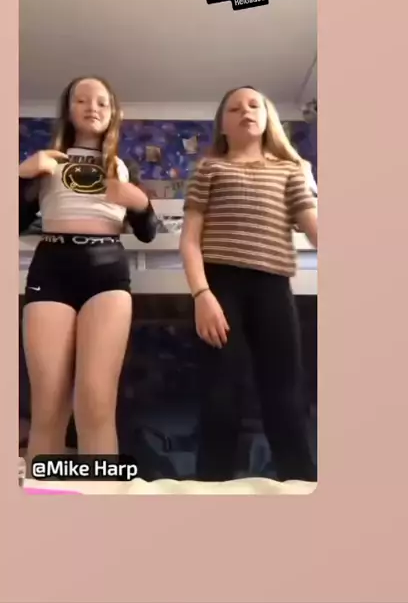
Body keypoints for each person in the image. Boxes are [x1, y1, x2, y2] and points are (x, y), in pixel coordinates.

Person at [19, 76, 158, 471]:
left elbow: (147, 233)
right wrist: (22, 173)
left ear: (112, 113)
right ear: (69, 109)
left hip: (106, 271)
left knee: (96, 404)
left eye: (101, 101)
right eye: (81, 100)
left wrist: (142, 204)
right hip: (52, 267)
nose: (92, 107)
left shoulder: (122, 167)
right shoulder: (48, 161)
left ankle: (101, 501)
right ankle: (44, 502)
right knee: (49, 407)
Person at [180, 85, 318, 483]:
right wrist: (202, 295)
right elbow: (189, 240)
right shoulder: (210, 169)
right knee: (221, 395)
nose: (246, 111)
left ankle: (301, 484)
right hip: (220, 287)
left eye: (254, 105)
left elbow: (315, 229)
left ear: (267, 116)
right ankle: (212, 487)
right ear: (222, 125)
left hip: (273, 287)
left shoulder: (290, 171)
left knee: (286, 395)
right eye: (235, 108)